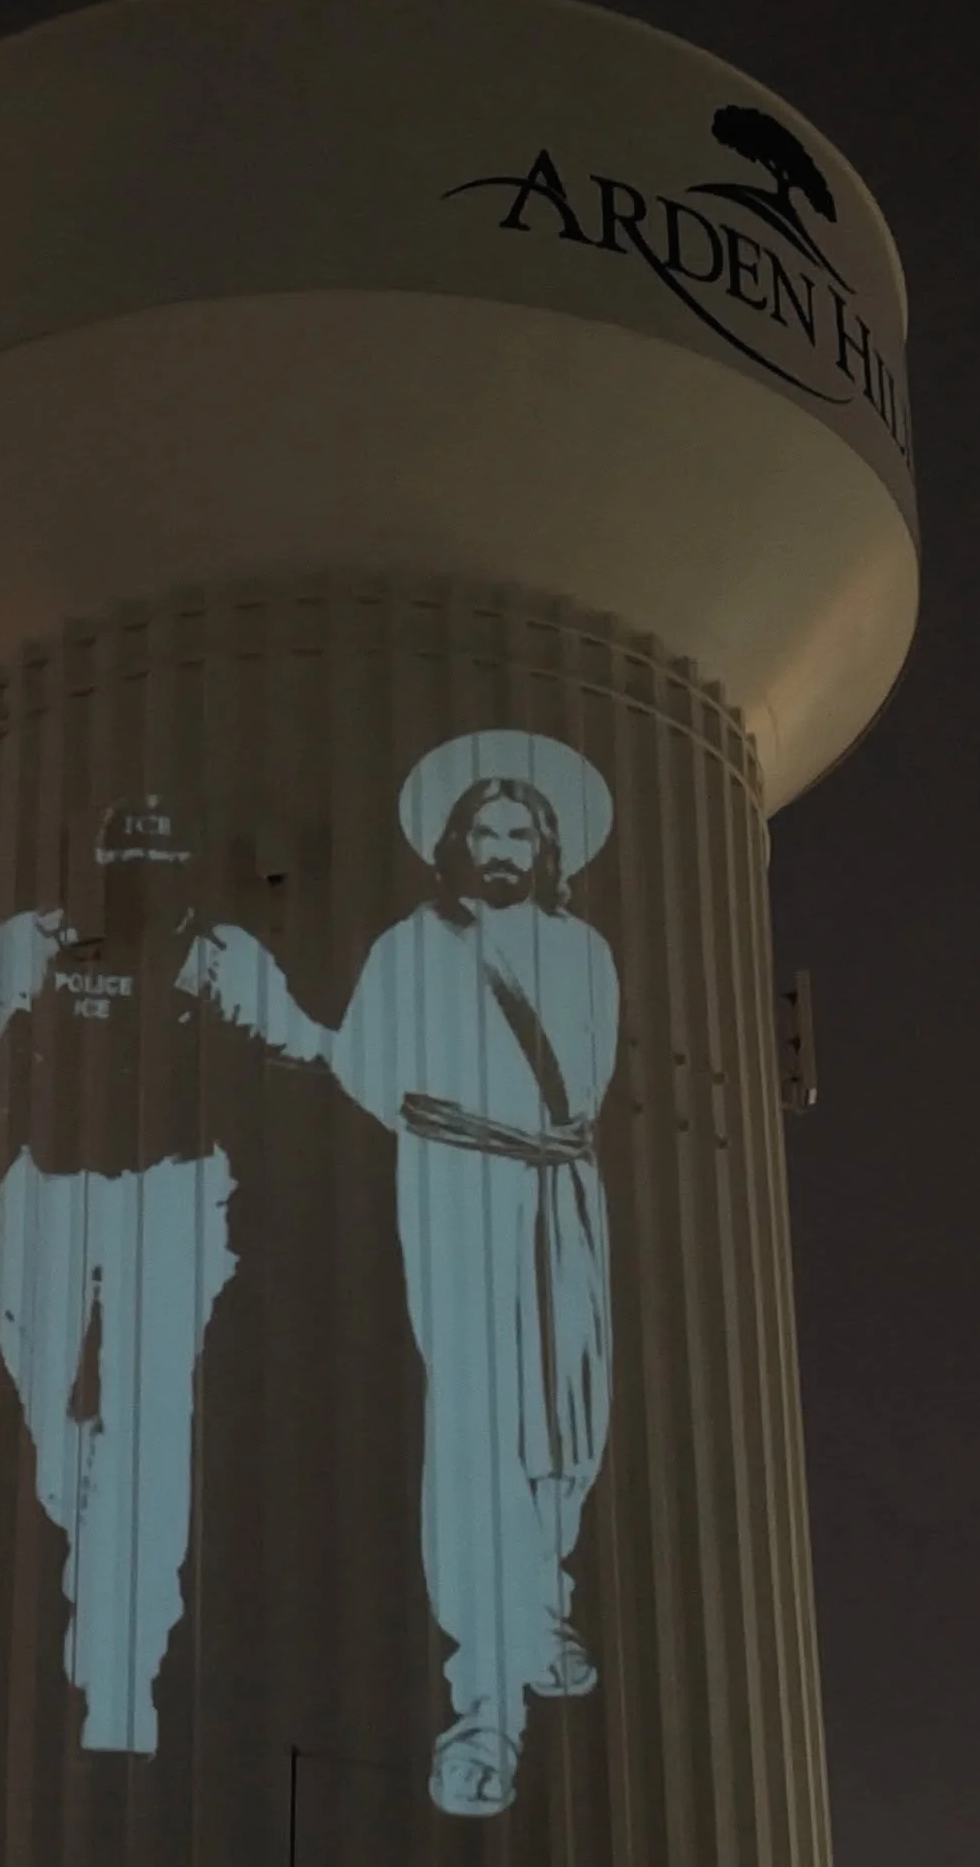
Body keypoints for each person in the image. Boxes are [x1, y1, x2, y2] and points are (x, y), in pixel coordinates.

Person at [0, 797, 318, 1755]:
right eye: (120, 859)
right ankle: (87, 1524)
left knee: (148, 1436)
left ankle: (124, 1674)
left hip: (168, 1200)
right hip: (48, 1200)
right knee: (57, 1444)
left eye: (154, 860)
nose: (135, 879)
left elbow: (300, 1044)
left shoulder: (213, 954)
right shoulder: (30, 946)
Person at [325, 732, 620, 1818]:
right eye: (487, 834)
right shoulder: (415, 943)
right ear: (456, 845)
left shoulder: (585, 950)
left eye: (522, 836)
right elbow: (366, 1067)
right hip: (460, 1192)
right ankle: (482, 1697)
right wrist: (462, 1123)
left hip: (562, 1193)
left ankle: (544, 1594)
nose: (504, 851)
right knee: (481, 1422)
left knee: (570, 1412)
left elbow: (593, 1070)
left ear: (548, 850)